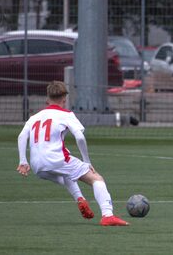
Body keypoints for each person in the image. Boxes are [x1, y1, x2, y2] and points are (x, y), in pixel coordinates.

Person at [17, 81, 129, 226]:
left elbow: (21, 137)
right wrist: (86, 161)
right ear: (64, 99)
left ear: (47, 97)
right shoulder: (67, 114)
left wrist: (23, 161)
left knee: (67, 174)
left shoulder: (34, 117)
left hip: (36, 165)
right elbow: (80, 137)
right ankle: (108, 215)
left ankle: (80, 199)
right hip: (56, 159)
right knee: (96, 178)